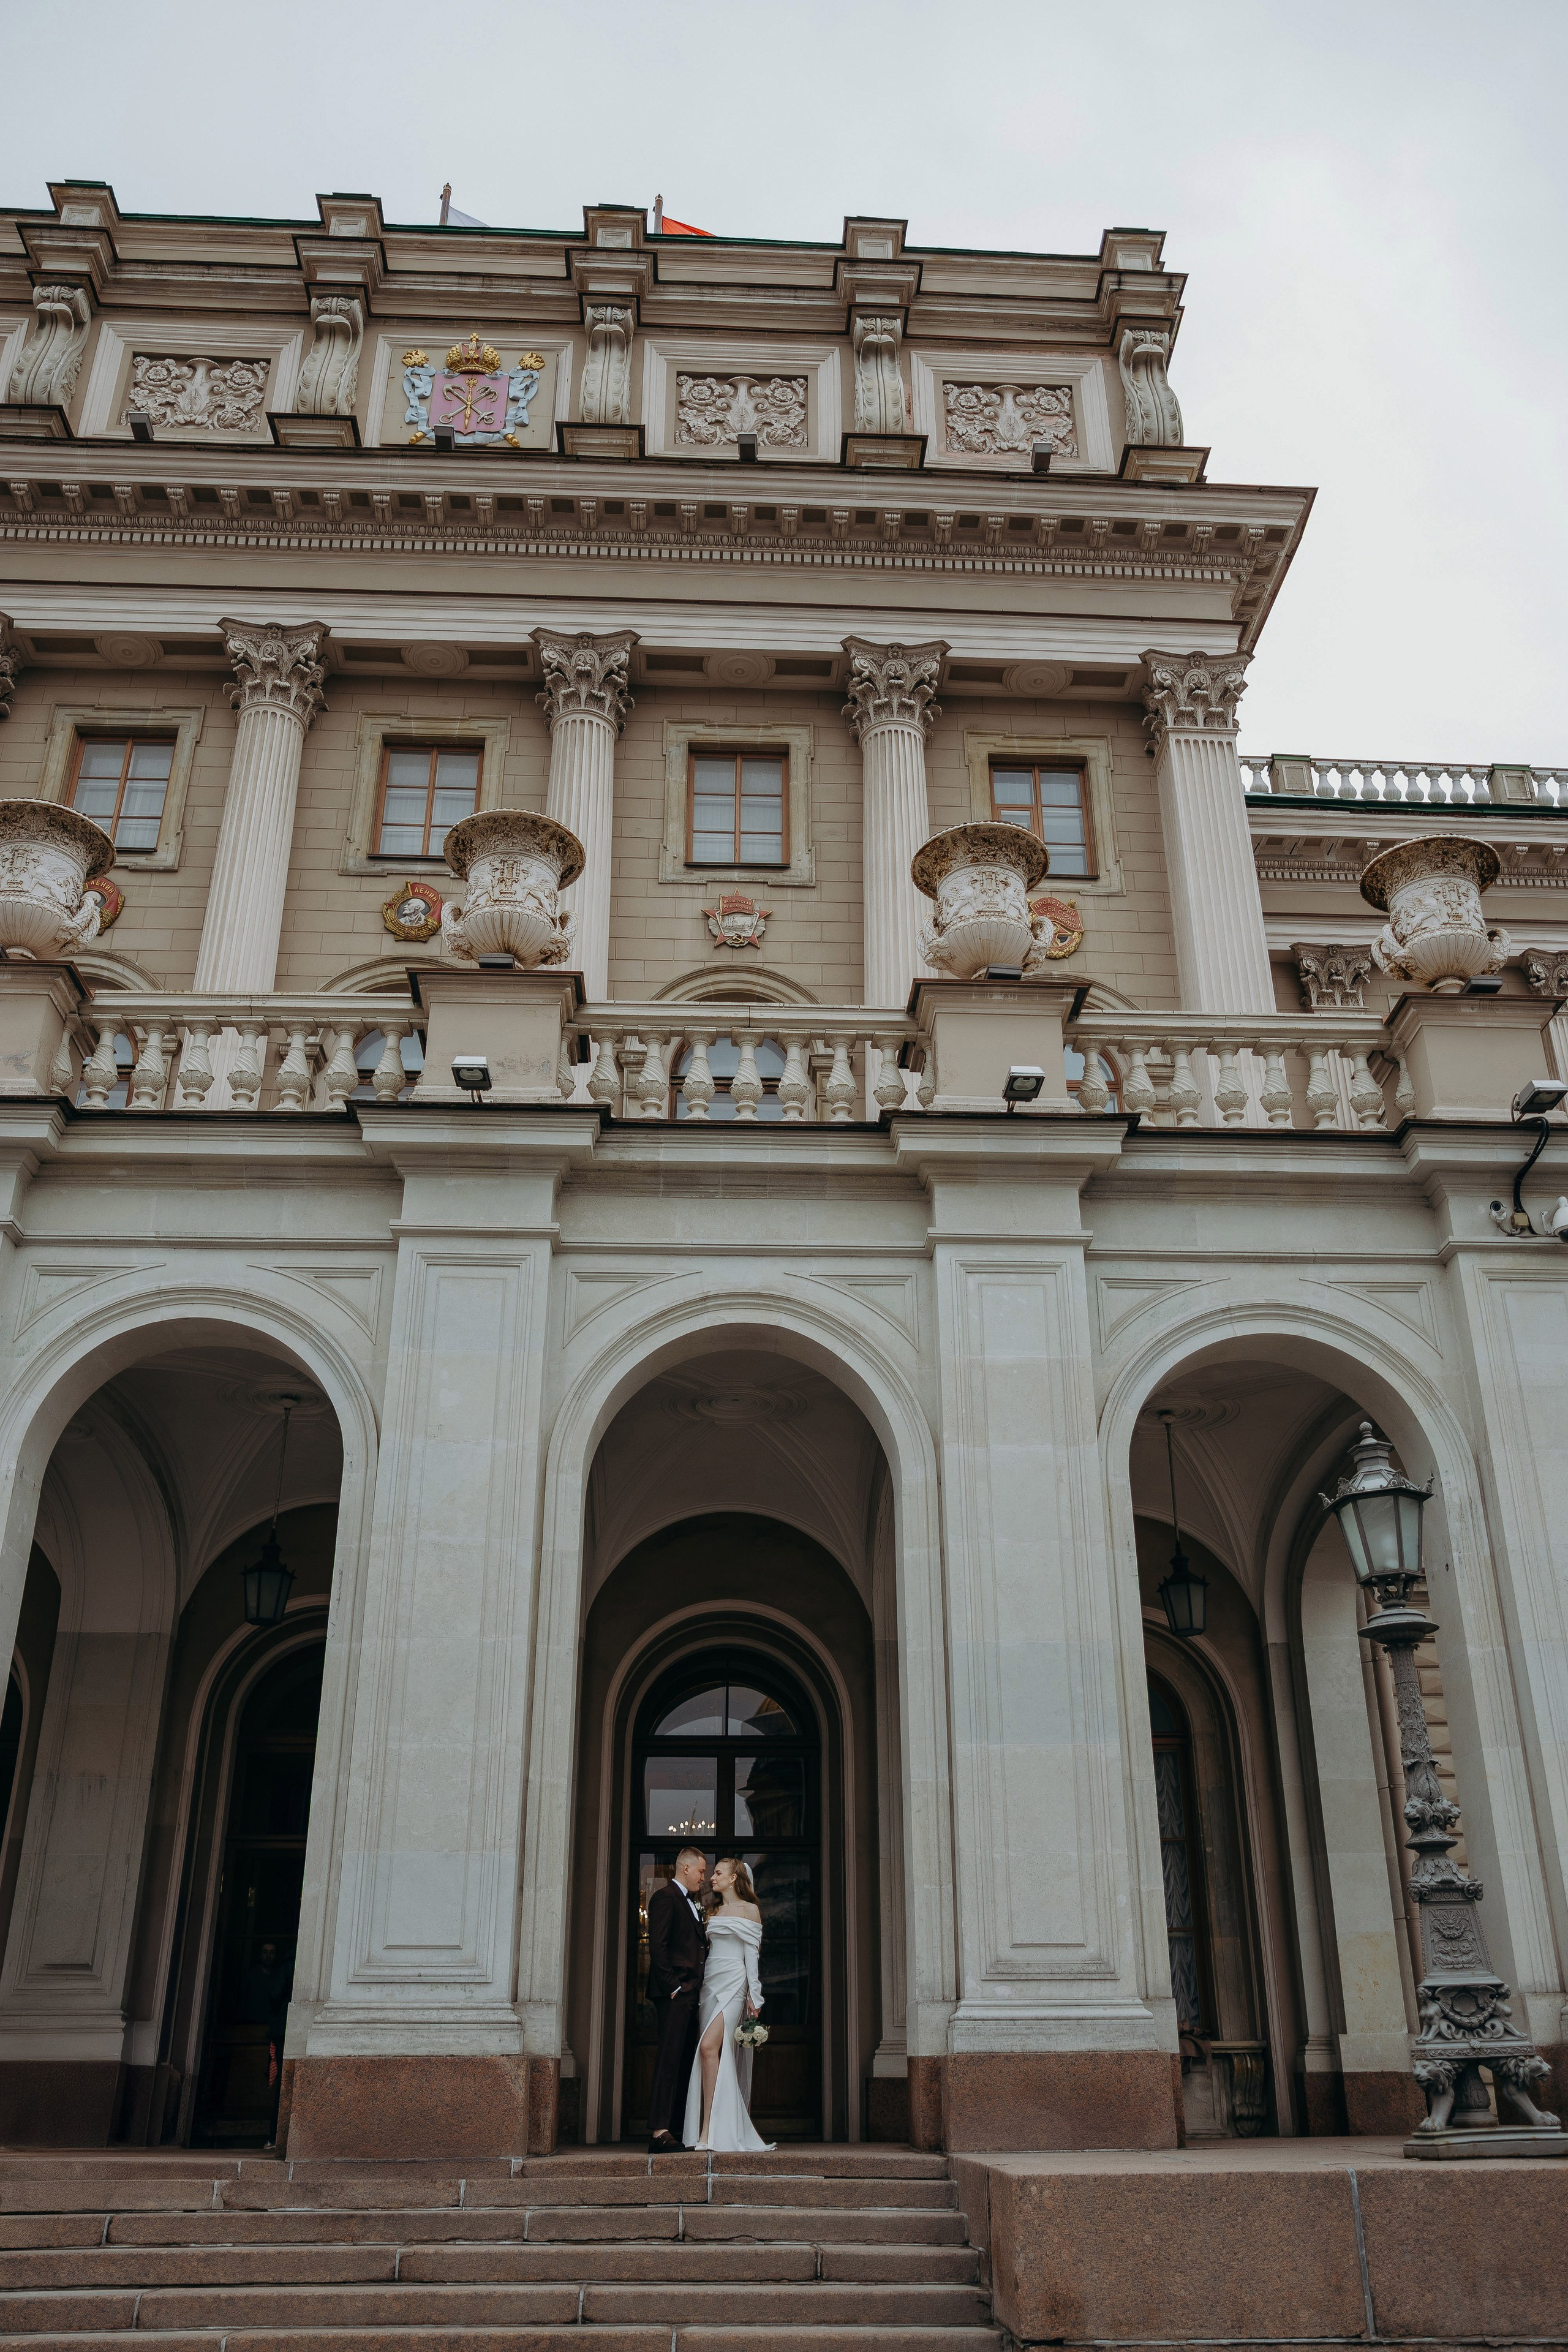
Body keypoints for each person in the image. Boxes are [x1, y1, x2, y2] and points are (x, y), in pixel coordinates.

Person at [683, 1855, 774, 2154]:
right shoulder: (713, 1910)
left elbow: (752, 1956)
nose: (712, 1877)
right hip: (710, 1986)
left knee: (709, 2047)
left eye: (718, 1872)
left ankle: (712, 2128)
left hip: (735, 1984)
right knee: (709, 2053)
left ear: (734, 1878)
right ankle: (710, 2126)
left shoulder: (750, 1910)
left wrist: (754, 1995)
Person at [644, 1847, 709, 2154]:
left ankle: (677, 2128)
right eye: (701, 1871)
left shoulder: (693, 1903)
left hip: (690, 1995)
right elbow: (657, 1945)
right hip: (676, 1995)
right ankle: (659, 2131)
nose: (704, 1876)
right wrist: (675, 1989)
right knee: (669, 2061)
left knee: (684, 2061)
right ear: (685, 1869)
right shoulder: (665, 1897)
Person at [239, 1937, 291, 2149]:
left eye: (272, 1952)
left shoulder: (286, 1967)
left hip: (281, 2030)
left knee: (281, 2082)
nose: (268, 1957)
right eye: (265, 1952)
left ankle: (275, 2136)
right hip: (284, 2029)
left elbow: (275, 1994)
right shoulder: (256, 1975)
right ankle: (277, 2136)